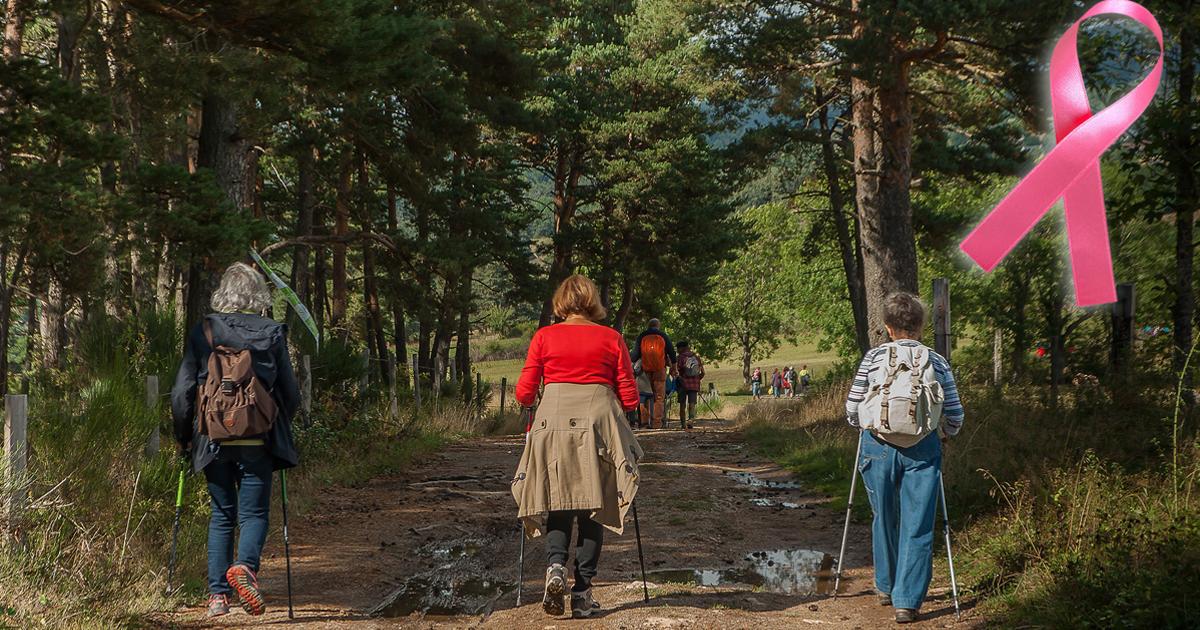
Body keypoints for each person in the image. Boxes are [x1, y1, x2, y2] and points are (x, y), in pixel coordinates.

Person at [171, 262, 300, 618]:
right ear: (257, 294)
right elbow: (291, 395)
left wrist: (184, 439)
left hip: (213, 441)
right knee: (255, 513)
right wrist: (281, 424)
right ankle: (244, 567)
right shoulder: (273, 332)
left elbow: (182, 392)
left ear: (224, 293)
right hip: (258, 439)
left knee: (222, 515)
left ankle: (217, 597)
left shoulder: (204, 331)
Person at [512, 275, 644, 619]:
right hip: (597, 423)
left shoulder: (544, 337)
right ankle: (582, 593)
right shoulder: (611, 338)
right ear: (593, 302)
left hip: (552, 422)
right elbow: (629, 396)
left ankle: (555, 567)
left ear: (560, 303)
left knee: (557, 498)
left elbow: (525, 393)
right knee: (593, 506)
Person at [845, 292, 963, 624]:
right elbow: (955, 414)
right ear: (921, 325)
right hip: (923, 448)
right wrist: (944, 434)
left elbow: (852, 408)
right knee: (919, 523)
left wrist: (864, 425)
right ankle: (906, 602)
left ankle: (884, 585)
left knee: (884, 515)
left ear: (887, 326)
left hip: (877, 445)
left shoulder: (873, 358)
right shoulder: (937, 361)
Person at [630, 317, 677, 429]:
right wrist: (673, 367)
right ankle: (657, 423)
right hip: (659, 370)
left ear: (648, 325)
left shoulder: (642, 336)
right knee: (659, 397)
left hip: (645, 372)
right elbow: (672, 352)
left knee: (644, 396)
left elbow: (634, 355)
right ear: (658, 325)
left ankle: (644, 423)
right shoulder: (663, 336)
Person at [674, 340, 705, 429]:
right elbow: (702, 372)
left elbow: (676, 371)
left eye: (678, 348)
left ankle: (683, 424)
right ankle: (691, 420)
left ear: (682, 348)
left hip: (682, 384)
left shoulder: (680, 357)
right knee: (692, 404)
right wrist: (697, 380)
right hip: (694, 384)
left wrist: (678, 379)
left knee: (682, 404)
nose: (677, 350)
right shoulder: (696, 357)